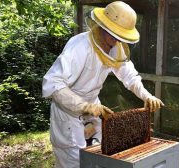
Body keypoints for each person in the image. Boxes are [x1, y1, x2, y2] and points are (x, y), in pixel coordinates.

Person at [42, 2, 164, 167]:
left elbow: (129, 76)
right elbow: (52, 83)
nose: (116, 41)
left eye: (121, 37)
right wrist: (84, 106)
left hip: (94, 109)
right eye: (114, 35)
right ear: (103, 26)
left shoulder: (116, 48)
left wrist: (146, 95)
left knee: (98, 158)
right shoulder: (79, 46)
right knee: (73, 163)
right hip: (68, 115)